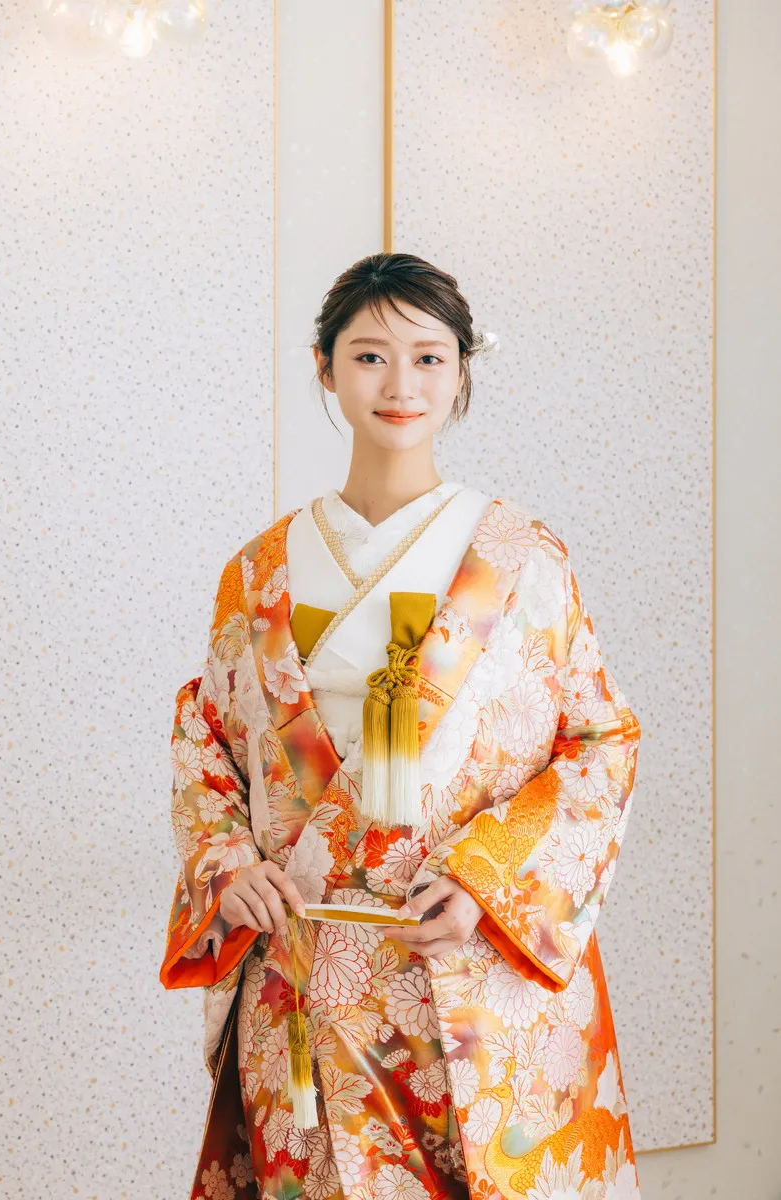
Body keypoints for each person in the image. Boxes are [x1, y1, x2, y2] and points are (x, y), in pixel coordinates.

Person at [159, 252, 643, 1200]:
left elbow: (599, 741)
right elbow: (206, 737)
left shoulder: (521, 557)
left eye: (428, 358)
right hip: (305, 972)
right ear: (325, 366)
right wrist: (228, 865)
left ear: (462, 371)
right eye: (370, 356)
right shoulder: (258, 571)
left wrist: (488, 881)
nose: (401, 385)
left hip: (468, 963)